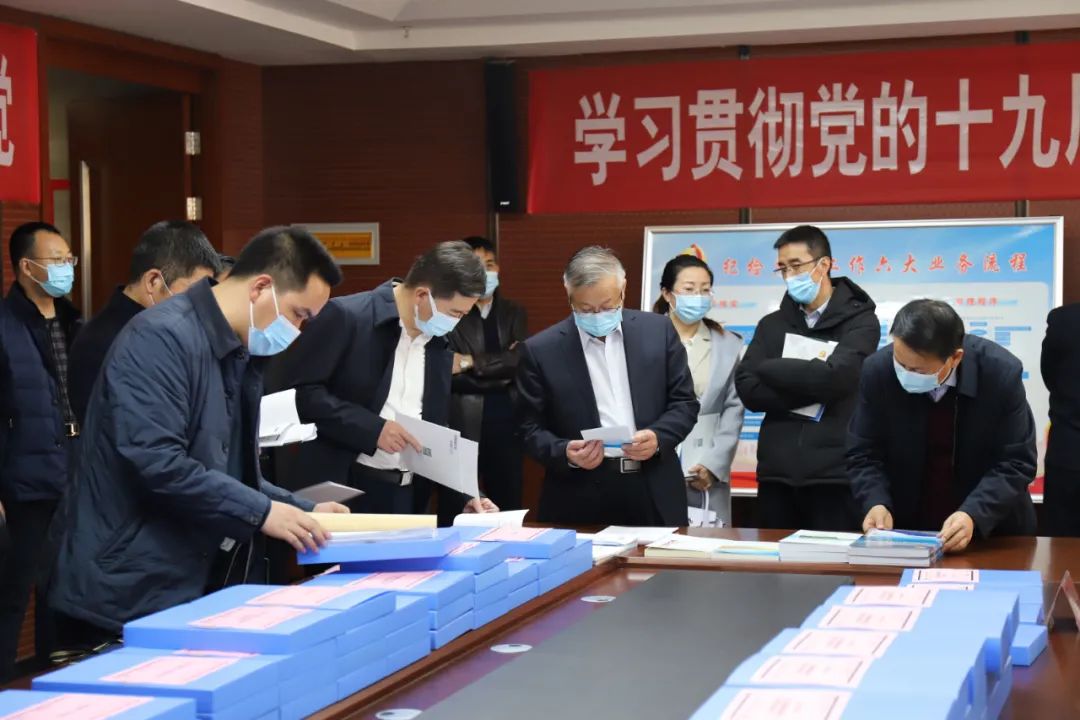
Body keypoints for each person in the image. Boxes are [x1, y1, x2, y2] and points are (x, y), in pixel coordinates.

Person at [49, 226, 348, 646]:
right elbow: (158, 463)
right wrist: (263, 512)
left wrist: (302, 510)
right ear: (261, 288)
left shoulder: (238, 350)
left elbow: (227, 469)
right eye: (299, 315)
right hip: (126, 585)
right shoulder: (161, 336)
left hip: (182, 577)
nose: (298, 331)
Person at [277, 241, 497, 523]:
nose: (458, 322)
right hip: (345, 490)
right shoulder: (347, 317)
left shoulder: (438, 340)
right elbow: (301, 394)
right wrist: (373, 429)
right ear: (422, 295)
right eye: (455, 313)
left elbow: (435, 426)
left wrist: (466, 494)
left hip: (409, 494)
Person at [516, 246, 699, 526]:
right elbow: (527, 427)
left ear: (623, 290)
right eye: (585, 309)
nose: (597, 315)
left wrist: (658, 437)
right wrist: (564, 452)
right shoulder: (541, 350)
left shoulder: (658, 331)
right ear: (569, 295)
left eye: (607, 306)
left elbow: (684, 403)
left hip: (653, 487)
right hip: (578, 493)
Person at [848, 299, 1037, 552]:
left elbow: (1017, 461)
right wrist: (875, 501)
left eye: (918, 370)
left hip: (992, 533)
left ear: (955, 358)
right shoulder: (878, 371)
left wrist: (974, 514)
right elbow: (863, 452)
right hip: (908, 532)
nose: (905, 374)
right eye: (900, 364)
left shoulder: (1000, 373)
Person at [734, 225, 879, 532]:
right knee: (774, 561)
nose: (789, 275)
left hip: (834, 476)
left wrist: (771, 368)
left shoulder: (862, 322)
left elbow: (838, 379)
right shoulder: (772, 324)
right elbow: (748, 389)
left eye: (796, 265)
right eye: (783, 268)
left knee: (832, 561)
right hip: (777, 475)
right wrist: (814, 386)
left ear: (823, 264)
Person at [0, 222, 82, 680]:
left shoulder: (74, 320)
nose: (66, 267)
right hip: (24, 481)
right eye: (56, 260)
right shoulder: (5, 325)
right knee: (14, 590)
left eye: (69, 259)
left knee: (64, 584)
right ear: (26, 266)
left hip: (74, 471)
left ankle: (58, 680)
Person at [68, 221, 221, 424]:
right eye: (192, 292)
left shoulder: (160, 330)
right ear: (153, 282)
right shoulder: (106, 341)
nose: (198, 303)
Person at [652, 254, 744, 526]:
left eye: (705, 290)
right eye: (689, 289)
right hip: (652, 462)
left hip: (703, 471)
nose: (698, 297)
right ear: (667, 294)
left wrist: (714, 465)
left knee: (705, 542)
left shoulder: (727, 344)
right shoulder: (643, 337)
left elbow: (734, 408)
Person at [447, 236, 528, 511]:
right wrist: (501, 370)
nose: (485, 272)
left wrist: (469, 362)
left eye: (490, 264)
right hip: (461, 421)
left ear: (499, 268)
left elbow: (519, 362)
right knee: (459, 502)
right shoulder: (452, 314)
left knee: (507, 502)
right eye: (476, 265)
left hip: (507, 421)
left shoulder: (514, 312)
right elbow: (447, 372)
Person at [1041, 303, 1080, 537]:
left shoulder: (1064, 320)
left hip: (1070, 451)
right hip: (1069, 455)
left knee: (1062, 544)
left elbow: (1050, 376)